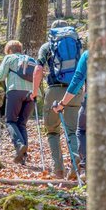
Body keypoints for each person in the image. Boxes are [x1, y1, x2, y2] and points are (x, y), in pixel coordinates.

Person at [31, 20, 83, 179]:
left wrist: (34, 92)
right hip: (74, 92)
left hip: (54, 91)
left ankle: (58, 170)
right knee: (72, 131)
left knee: (53, 131)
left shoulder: (47, 47)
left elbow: (38, 69)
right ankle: (76, 163)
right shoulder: (77, 46)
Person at [0, 41, 38, 164]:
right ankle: (22, 156)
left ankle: (20, 145)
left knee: (10, 121)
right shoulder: (31, 59)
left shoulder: (9, 58)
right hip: (32, 93)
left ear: (9, 50)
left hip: (15, 91)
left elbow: (0, 77)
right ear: (20, 49)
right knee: (22, 124)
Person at [50, 50, 89, 174]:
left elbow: (77, 80)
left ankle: (86, 167)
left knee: (82, 130)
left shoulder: (88, 55)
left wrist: (62, 104)